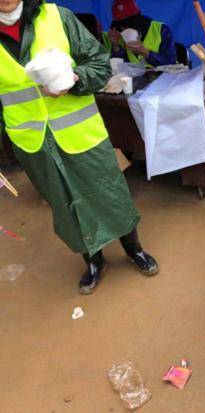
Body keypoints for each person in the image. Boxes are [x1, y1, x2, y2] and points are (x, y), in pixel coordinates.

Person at [0, 0, 159, 295]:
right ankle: (94, 260)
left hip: (80, 130)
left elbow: (99, 63)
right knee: (65, 204)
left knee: (110, 192)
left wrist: (76, 80)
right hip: (33, 142)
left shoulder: (57, 16)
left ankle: (133, 249)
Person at [106, 0, 176, 67]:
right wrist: (115, 46)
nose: (123, 28)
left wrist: (145, 53)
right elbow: (119, 67)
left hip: (162, 77)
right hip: (133, 78)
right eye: (121, 25)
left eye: (128, 23)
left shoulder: (161, 29)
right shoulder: (119, 34)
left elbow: (171, 64)